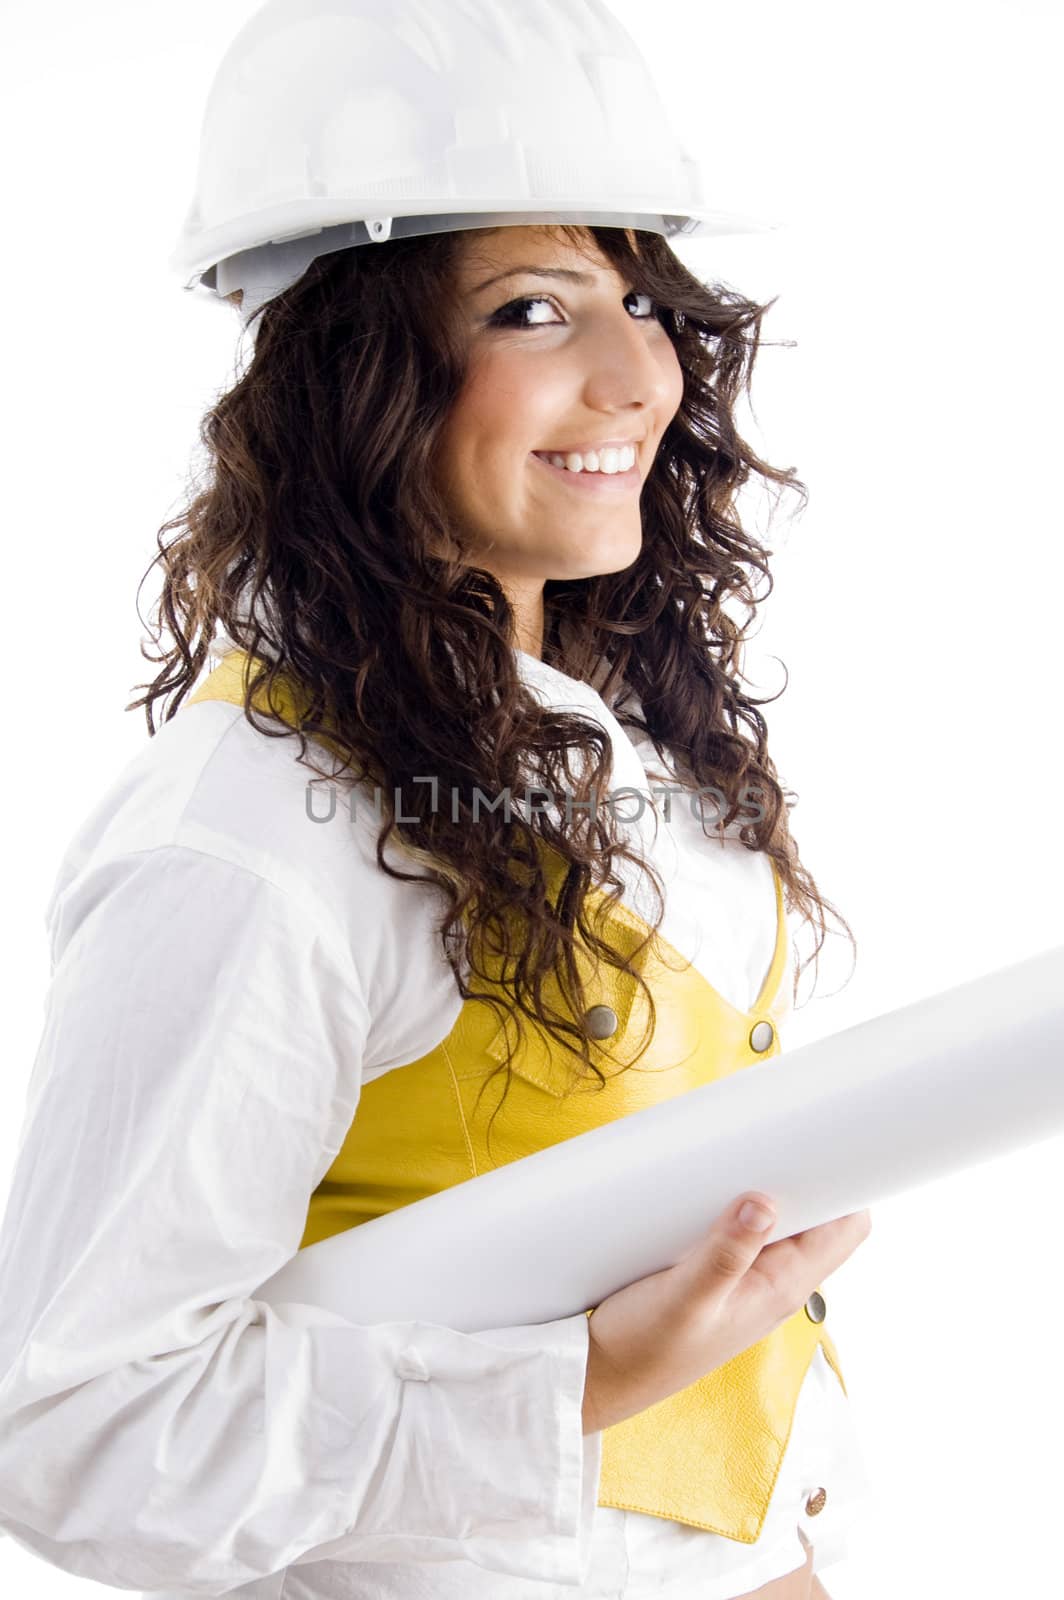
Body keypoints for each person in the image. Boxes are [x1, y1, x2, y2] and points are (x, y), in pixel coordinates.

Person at [0, 4, 873, 1599]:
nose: (633, 377)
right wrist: (575, 1389)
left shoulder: (615, 736)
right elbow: (77, 1429)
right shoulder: (250, 836)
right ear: (351, 376)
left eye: (636, 297)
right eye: (533, 312)